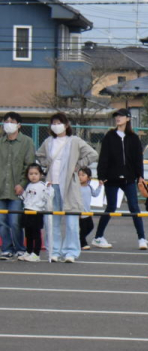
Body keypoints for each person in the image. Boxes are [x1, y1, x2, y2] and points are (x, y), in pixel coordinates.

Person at [35, 113, 97, 264]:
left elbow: (93, 154)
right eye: (53, 123)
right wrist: (46, 166)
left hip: (69, 185)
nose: (56, 125)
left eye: (59, 122)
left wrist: (78, 165)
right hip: (52, 185)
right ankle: (54, 251)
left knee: (71, 222)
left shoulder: (74, 141)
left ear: (66, 124)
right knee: (52, 221)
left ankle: (71, 252)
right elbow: (39, 156)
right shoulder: (48, 142)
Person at [93, 107, 147, 250]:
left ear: (128, 118)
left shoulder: (134, 138)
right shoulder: (109, 136)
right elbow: (103, 157)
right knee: (110, 207)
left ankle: (142, 238)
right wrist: (101, 176)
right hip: (111, 178)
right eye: (116, 116)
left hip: (129, 178)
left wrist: (140, 175)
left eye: (121, 116)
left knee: (134, 207)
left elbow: (138, 159)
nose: (118, 118)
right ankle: (98, 237)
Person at [0, 112, 35, 259]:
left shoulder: (27, 142)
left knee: (15, 221)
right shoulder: (1, 142)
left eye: (12, 121)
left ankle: (20, 247)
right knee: (2, 222)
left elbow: (29, 165)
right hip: (1, 189)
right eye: (6, 121)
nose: (8, 123)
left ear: (19, 125)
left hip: (17, 189)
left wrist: (22, 184)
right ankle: (6, 248)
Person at [17, 163, 49, 261]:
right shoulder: (28, 185)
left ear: (41, 175)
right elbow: (25, 197)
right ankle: (28, 251)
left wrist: (49, 189)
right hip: (27, 210)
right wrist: (21, 194)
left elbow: (47, 198)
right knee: (28, 233)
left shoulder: (43, 186)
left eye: (36, 173)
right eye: (31, 174)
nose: (33, 176)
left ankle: (36, 254)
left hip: (37, 212)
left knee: (36, 233)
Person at [78, 168, 103, 250]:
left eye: (83, 175)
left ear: (88, 178)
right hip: (80, 213)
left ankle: (79, 239)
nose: (80, 177)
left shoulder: (89, 187)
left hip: (87, 212)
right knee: (84, 228)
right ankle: (82, 242)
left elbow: (95, 194)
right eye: (79, 175)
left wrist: (100, 186)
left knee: (90, 226)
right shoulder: (77, 188)